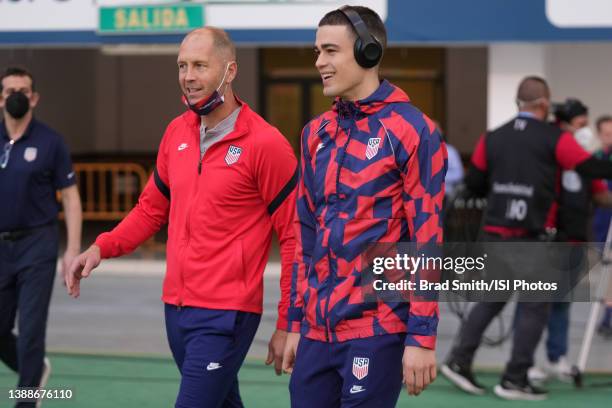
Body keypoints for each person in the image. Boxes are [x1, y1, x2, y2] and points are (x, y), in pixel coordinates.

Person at [65, 28, 298, 408]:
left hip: (227, 313)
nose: (188, 76)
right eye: (182, 66)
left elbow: (294, 238)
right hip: (176, 308)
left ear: (230, 70)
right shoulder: (177, 133)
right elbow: (150, 210)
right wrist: (100, 247)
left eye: (200, 66)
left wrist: (290, 321)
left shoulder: (266, 145)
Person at [281, 6, 447, 407]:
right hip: (317, 332)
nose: (320, 61)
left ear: (368, 52)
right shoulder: (314, 133)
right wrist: (293, 322)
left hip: (377, 329)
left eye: (330, 50)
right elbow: (305, 236)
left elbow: (427, 240)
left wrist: (422, 337)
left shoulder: (414, 130)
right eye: (317, 51)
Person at [440, 77, 612, 401]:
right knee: (535, 306)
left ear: (519, 103)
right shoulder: (553, 137)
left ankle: (458, 360)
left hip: (496, 232)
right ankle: (515, 378)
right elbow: (590, 168)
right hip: (532, 237)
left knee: (491, 299)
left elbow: (475, 181)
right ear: (545, 103)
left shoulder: (492, 137)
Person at [0, 66, 82, 408]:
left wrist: (73, 250)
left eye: (22, 90)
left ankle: (26, 398)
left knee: (32, 329)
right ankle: (33, 370)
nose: (16, 96)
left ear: (34, 98)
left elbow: (72, 196)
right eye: (9, 91)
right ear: (1, 98)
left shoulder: (51, 142)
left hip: (38, 244)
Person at [528, 100, 612, 382]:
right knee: (535, 303)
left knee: (563, 301)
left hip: (576, 240)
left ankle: (556, 357)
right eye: (580, 125)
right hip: (549, 239)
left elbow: (600, 194)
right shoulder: (550, 156)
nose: (585, 131)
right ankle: (524, 360)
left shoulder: (586, 163)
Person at [593, 115, 612, 337]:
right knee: (606, 274)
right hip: (602, 223)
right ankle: (608, 317)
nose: (610, 138)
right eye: (606, 134)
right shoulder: (595, 160)